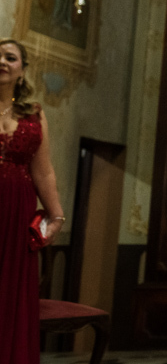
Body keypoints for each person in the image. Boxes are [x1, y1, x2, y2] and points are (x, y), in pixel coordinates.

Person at [0, 38, 66, 364]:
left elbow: (44, 173)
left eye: (9, 58)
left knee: (11, 295)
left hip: (16, 215)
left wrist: (56, 216)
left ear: (22, 71)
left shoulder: (34, 114)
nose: (1, 61)